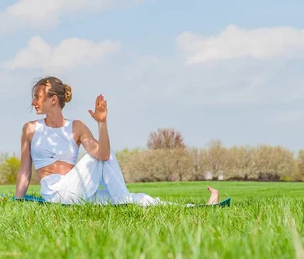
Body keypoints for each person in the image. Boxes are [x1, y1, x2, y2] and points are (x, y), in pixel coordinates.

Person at [14, 76, 221, 206]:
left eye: (37, 97)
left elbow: (103, 155)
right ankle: (123, 200)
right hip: (55, 193)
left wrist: (102, 123)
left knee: (127, 192)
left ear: (53, 100)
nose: (33, 102)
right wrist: (18, 200)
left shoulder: (76, 127)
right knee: (106, 165)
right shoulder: (31, 129)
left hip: (77, 191)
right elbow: (25, 170)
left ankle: (199, 209)